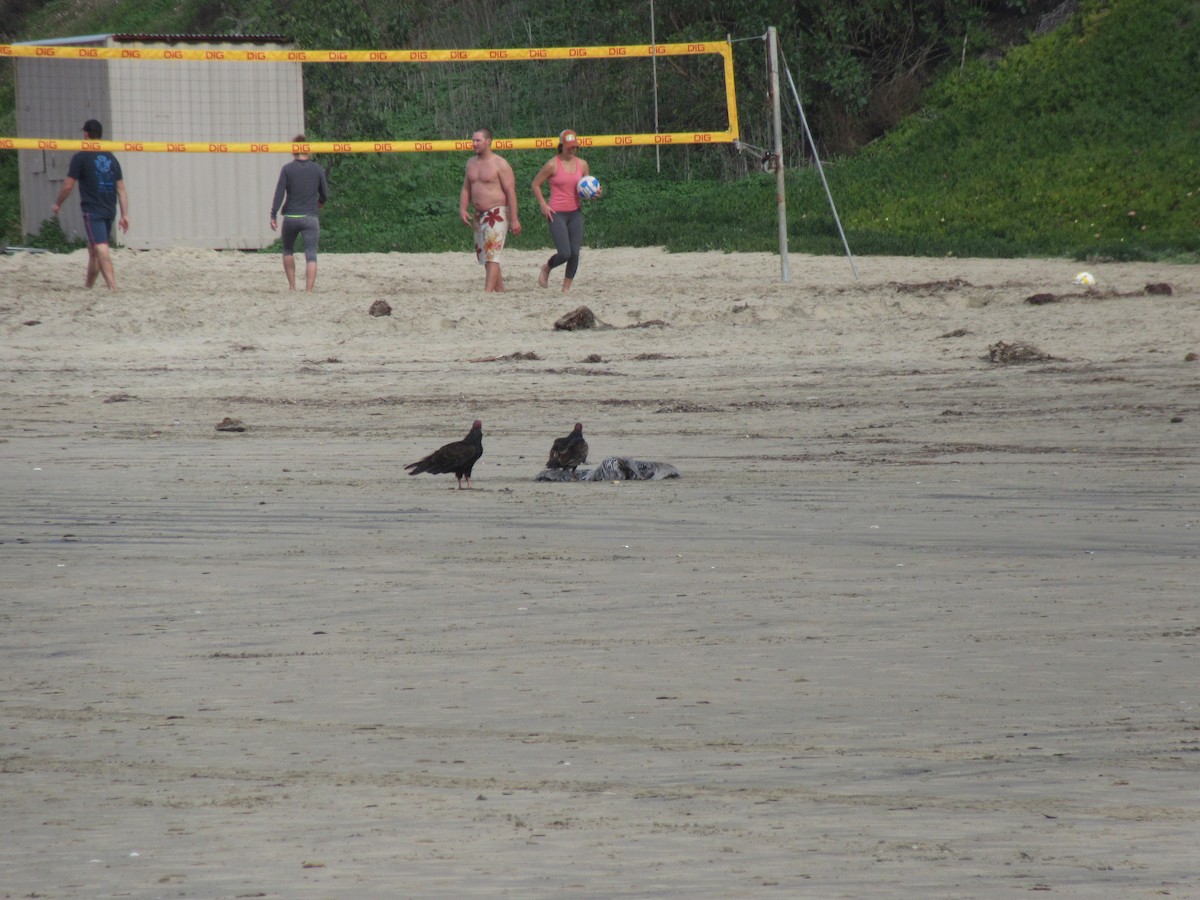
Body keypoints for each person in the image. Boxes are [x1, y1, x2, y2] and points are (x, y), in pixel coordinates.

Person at [51, 119, 129, 290]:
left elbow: (68, 185)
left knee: (101, 248)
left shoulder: (80, 157)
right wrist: (124, 214)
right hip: (110, 209)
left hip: (93, 211)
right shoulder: (111, 157)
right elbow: (121, 189)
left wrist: (57, 203)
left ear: (86, 134)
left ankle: (113, 287)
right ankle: (88, 286)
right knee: (93, 248)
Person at [532, 128, 599, 292]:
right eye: (569, 146)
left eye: (574, 146)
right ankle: (547, 267)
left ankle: (565, 290)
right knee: (565, 253)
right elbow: (535, 184)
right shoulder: (552, 165)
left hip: (575, 212)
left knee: (575, 253)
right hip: (556, 212)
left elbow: (585, 190)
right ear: (561, 146)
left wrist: (593, 194)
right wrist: (543, 204)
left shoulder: (582, 164)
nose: (572, 149)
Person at [460, 128, 522, 292]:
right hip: (478, 214)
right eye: (473, 140)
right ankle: (500, 292)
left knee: (493, 254)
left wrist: (514, 218)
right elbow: (466, 188)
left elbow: (510, 191)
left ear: (488, 141)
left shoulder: (500, 164)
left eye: (477, 140)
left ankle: (486, 292)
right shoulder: (471, 163)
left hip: (496, 212)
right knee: (486, 256)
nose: (474, 144)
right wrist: (463, 208)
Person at [270, 135, 329, 292]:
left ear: (293, 150)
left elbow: (279, 193)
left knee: (288, 250)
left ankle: (292, 287)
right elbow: (325, 194)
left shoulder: (287, 169)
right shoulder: (317, 169)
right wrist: (320, 203)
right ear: (308, 150)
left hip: (291, 217)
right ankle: (309, 291)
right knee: (311, 255)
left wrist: (273, 214)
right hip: (310, 217)